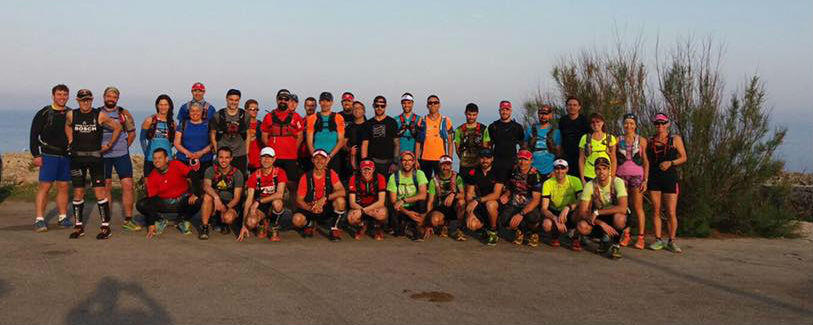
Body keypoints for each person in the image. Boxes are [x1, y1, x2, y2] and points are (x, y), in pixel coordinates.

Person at [64, 89, 122, 239]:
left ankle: (105, 227)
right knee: (78, 193)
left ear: (92, 99)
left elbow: (117, 127)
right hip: (77, 159)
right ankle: (79, 227)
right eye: (83, 100)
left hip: (95, 158)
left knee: (99, 193)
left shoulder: (99, 115)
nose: (86, 102)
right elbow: (68, 125)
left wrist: (109, 145)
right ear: (77, 100)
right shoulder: (72, 114)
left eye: (88, 99)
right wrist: (70, 140)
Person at [30, 84, 72, 232]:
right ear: (53, 96)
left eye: (65, 95)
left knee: (63, 187)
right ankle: (39, 219)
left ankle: (62, 217)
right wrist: (36, 155)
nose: (62, 97)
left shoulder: (71, 113)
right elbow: (34, 134)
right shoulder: (44, 113)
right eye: (59, 94)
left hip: (65, 156)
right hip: (48, 155)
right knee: (45, 187)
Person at [99, 87, 139, 231]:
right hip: (103, 155)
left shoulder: (124, 113)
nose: (111, 98)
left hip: (121, 154)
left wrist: (123, 147)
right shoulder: (98, 113)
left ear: (118, 98)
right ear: (104, 97)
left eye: (114, 96)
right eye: (108, 96)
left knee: (128, 185)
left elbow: (132, 133)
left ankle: (128, 219)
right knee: (106, 186)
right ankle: (106, 220)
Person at [137, 148, 202, 239]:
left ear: (167, 159)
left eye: (160, 158)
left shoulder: (176, 164)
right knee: (141, 204)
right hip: (164, 203)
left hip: (182, 200)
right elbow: (152, 201)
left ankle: (183, 219)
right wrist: (151, 224)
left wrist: (196, 193)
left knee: (198, 200)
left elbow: (193, 175)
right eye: (155, 158)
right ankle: (159, 219)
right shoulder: (152, 176)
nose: (157, 161)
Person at [646, 112, 687, 253]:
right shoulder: (650, 140)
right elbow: (645, 161)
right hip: (654, 178)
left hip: (670, 178)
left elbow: (683, 157)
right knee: (656, 210)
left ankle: (671, 240)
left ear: (668, 124)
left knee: (670, 211)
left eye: (663, 123)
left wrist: (671, 162)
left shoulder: (675, 139)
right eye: (657, 123)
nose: (660, 126)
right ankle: (658, 240)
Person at [576, 157, 628, 259]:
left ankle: (616, 244)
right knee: (582, 226)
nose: (601, 172)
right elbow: (582, 212)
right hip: (600, 218)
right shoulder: (590, 185)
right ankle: (605, 239)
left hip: (615, 215)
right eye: (598, 169)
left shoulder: (617, 182)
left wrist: (597, 212)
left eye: (604, 168)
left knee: (619, 218)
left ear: (609, 170)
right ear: (595, 171)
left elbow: (623, 208)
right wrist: (600, 223)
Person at [293, 149, 347, 241]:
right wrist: (311, 208)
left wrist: (324, 198)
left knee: (340, 201)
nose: (319, 161)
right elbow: (299, 200)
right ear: (312, 160)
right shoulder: (305, 176)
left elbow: (342, 191)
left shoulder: (331, 173)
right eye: (316, 158)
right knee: (296, 220)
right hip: (311, 207)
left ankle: (334, 228)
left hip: (326, 207)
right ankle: (309, 223)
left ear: (326, 160)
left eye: (322, 159)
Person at [239, 147, 290, 242]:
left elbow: (279, 194)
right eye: (264, 157)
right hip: (261, 207)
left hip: (273, 204)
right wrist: (244, 225)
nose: (266, 160)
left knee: (277, 203)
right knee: (250, 222)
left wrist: (258, 201)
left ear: (274, 159)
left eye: (269, 157)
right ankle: (262, 223)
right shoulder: (254, 176)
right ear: (259, 158)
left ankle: (273, 226)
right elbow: (249, 199)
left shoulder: (280, 172)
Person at [616, 113, 649, 249]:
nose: (628, 126)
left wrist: (645, 180)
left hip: (636, 176)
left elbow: (646, 162)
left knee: (637, 207)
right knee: (624, 207)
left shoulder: (641, 140)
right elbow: (613, 158)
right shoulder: (618, 139)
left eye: (631, 123)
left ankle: (641, 238)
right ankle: (626, 234)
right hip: (621, 176)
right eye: (626, 123)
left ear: (635, 125)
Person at [261, 89, 303, 192]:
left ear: (289, 101)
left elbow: (300, 136)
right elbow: (264, 136)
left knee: (292, 185)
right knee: (273, 185)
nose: (283, 101)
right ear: (276, 100)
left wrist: (293, 149)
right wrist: (271, 149)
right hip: (274, 158)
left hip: (290, 157)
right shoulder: (268, 117)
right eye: (280, 99)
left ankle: (293, 207)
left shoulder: (296, 117)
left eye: (286, 99)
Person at [498, 150, 543, 247]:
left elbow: (536, 200)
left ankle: (534, 232)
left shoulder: (535, 175)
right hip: (515, 203)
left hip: (529, 206)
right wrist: (506, 194)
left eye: (526, 160)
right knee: (503, 220)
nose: (522, 162)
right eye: (520, 159)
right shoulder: (513, 170)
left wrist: (521, 214)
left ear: (531, 160)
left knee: (533, 217)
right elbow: (511, 187)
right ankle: (520, 230)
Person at [199, 147, 244, 240]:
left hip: (230, 202)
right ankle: (205, 227)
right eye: (221, 157)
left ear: (231, 159)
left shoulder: (237, 173)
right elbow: (206, 186)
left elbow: (237, 198)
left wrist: (225, 208)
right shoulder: (210, 170)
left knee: (228, 218)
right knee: (207, 196)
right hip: (216, 200)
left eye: (227, 158)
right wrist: (216, 198)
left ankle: (222, 221)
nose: (224, 160)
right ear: (217, 158)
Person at [463, 149, 505, 246]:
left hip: (495, 204)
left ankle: (493, 231)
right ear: (479, 159)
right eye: (482, 158)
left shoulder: (498, 171)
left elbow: (496, 194)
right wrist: (470, 211)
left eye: (488, 158)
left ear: (492, 159)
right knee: (471, 224)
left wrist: (478, 200)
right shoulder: (473, 171)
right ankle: (485, 228)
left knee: (490, 204)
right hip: (479, 203)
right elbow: (469, 193)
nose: (485, 160)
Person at [173, 102, 214, 200]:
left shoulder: (208, 125)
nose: (195, 113)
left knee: (203, 186)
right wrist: (188, 153)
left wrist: (202, 153)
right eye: (192, 111)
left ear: (202, 112)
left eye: (197, 111)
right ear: (189, 112)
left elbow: (213, 143)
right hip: (185, 159)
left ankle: (202, 209)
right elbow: (176, 143)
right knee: (186, 186)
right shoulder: (183, 124)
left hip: (205, 160)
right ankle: (185, 209)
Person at [540, 159, 583, 250]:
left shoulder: (575, 180)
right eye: (557, 168)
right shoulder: (548, 183)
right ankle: (555, 236)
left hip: (570, 211)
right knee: (546, 224)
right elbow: (544, 208)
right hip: (555, 210)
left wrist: (569, 207)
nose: (560, 171)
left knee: (581, 210)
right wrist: (555, 218)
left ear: (567, 169)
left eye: (562, 168)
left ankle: (576, 238)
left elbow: (581, 199)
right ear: (553, 170)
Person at [387, 151, 429, 241]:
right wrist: (408, 213)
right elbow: (394, 201)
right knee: (398, 233)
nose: (407, 163)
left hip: (414, 206)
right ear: (400, 162)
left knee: (422, 202)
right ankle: (406, 223)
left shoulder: (419, 174)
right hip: (401, 209)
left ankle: (418, 226)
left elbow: (423, 195)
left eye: (410, 160)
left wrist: (404, 200)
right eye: (404, 160)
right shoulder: (393, 177)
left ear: (414, 162)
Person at [210, 89, 250, 175]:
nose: (233, 102)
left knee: (240, 180)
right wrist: (218, 151)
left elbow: (248, 134)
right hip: (223, 154)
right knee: (221, 181)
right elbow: (213, 135)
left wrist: (246, 152)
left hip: (240, 153)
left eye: (236, 100)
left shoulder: (245, 115)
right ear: (226, 99)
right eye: (231, 99)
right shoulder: (218, 115)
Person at [425, 155, 465, 240]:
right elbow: (430, 201)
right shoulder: (434, 180)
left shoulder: (457, 177)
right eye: (443, 164)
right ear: (439, 165)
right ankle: (444, 225)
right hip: (441, 206)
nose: (445, 167)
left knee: (461, 202)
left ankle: (459, 229)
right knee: (434, 220)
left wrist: (453, 195)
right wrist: (428, 223)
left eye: (448, 164)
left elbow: (463, 194)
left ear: (451, 166)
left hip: (454, 206)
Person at [305, 92, 346, 177]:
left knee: (333, 181)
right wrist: (316, 158)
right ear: (319, 102)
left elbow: (341, 140)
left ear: (331, 102)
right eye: (323, 101)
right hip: (317, 157)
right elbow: (309, 141)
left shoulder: (338, 118)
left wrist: (329, 157)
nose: (325, 103)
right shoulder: (312, 118)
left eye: (328, 101)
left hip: (332, 156)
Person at [347, 158, 389, 240]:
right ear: (360, 169)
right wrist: (363, 210)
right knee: (351, 217)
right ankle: (362, 225)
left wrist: (364, 210)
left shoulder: (380, 178)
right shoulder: (354, 178)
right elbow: (352, 203)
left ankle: (378, 227)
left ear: (373, 169)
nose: (366, 172)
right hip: (360, 206)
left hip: (375, 206)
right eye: (364, 169)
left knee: (382, 214)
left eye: (369, 169)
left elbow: (381, 202)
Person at [415, 95, 454, 179]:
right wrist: (416, 160)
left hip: (441, 159)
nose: (433, 105)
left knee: (440, 185)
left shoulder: (446, 120)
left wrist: (449, 160)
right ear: (427, 105)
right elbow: (418, 142)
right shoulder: (422, 121)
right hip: (424, 159)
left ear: (439, 105)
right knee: (425, 184)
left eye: (435, 102)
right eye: (430, 103)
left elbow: (450, 142)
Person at [361, 96, 399, 176]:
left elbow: (397, 144)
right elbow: (365, 145)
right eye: (377, 105)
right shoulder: (367, 124)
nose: (379, 108)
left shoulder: (392, 122)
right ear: (373, 106)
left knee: (390, 188)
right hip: (373, 162)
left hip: (390, 163)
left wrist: (395, 162)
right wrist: (364, 163)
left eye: (382, 106)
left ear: (386, 106)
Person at [488, 100, 525, 181]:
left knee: (511, 188)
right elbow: (489, 146)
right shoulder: (493, 127)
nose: (504, 112)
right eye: (502, 109)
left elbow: (522, 147)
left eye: (507, 109)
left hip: (512, 164)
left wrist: (520, 163)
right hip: (496, 164)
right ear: (499, 111)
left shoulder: (518, 127)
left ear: (511, 111)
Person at [140, 94, 176, 176]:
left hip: (167, 159)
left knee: (167, 185)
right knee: (149, 185)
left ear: (169, 106)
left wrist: (168, 147)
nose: (163, 107)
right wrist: (146, 154)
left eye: (166, 105)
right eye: (161, 104)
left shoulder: (172, 123)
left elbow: (175, 141)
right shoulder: (150, 120)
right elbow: (142, 139)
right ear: (157, 106)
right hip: (151, 158)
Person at [525, 104, 562, 180]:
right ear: (538, 114)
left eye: (546, 114)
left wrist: (555, 170)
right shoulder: (530, 129)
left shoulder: (556, 131)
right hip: (532, 170)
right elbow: (524, 149)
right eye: (541, 113)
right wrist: (526, 168)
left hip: (549, 170)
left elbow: (558, 153)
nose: (543, 116)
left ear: (550, 115)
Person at [578, 112, 617, 184]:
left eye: (598, 121)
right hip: (589, 174)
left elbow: (614, 160)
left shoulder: (610, 138)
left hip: (606, 175)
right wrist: (582, 179)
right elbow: (581, 160)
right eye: (592, 122)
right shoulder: (585, 138)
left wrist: (612, 177)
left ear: (602, 122)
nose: (595, 124)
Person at [454, 103, 490, 177]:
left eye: (474, 115)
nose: (471, 117)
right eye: (469, 114)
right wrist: (464, 158)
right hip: (464, 165)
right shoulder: (459, 130)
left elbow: (486, 147)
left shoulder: (483, 129)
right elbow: (457, 149)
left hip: (478, 165)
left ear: (477, 114)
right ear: (465, 113)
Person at [558, 97, 591, 177]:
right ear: (566, 106)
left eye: (575, 105)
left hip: (581, 155)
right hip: (567, 155)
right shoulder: (562, 120)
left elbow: (589, 137)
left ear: (579, 107)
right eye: (569, 105)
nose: (572, 107)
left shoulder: (584, 120)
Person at [395, 93, 420, 157]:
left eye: (409, 103)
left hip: (414, 154)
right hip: (400, 154)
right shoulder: (396, 119)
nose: (406, 105)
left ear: (412, 103)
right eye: (404, 103)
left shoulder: (419, 119)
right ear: (401, 103)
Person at [345, 101, 367, 172]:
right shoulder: (349, 127)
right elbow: (343, 143)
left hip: (368, 159)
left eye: (359, 108)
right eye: (354, 108)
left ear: (364, 111)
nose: (357, 110)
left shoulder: (369, 125)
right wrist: (349, 149)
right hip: (353, 159)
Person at [297, 97, 318, 172]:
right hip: (302, 155)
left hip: (315, 154)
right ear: (304, 106)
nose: (310, 108)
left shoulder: (319, 120)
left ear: (316, 106)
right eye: (308, 105)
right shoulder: (301, 121)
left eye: (312, 106)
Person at [245, 99, 263, 174]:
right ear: (246, 110)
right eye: (252, 109)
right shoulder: (242, 125)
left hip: (259, 162)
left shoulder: (261, 125)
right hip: (245, 160)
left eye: (257, 109)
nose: (255, 111)